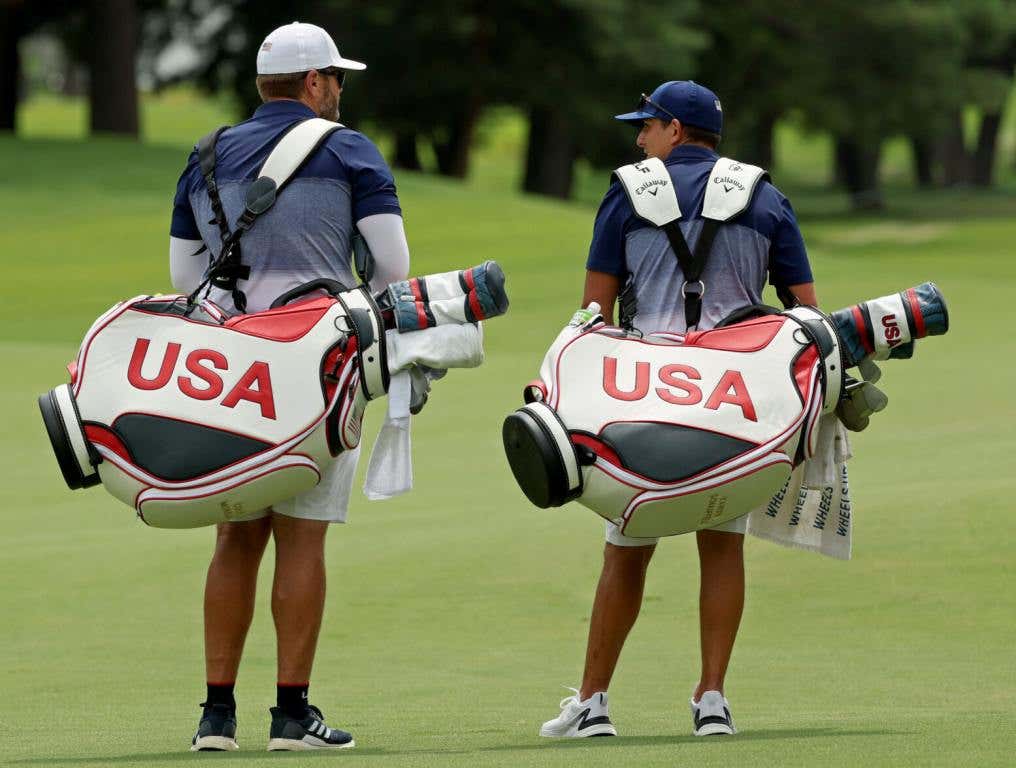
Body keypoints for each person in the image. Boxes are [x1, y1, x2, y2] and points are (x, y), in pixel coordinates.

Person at [539, 80, 817, 738]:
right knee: (722, 544)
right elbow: (805, 311)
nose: (639, 140)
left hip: (650, 393)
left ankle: (592, 703)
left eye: (647, 126)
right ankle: (712, 700)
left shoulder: (630, 189)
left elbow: (593, 315)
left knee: (627, 546)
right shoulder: (764, 193)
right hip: (737, 397)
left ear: (675, 129)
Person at [168, 22, 410, 752]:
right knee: (302, 538)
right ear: (313, 83)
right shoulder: (350, 149)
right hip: (318, 364)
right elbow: (393, 266)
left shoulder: (206, 153)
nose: (339, 89)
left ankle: (216, 717)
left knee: (236, 535)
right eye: (335, 77)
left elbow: (186, 281)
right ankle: (290, 715)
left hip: (230, 371)